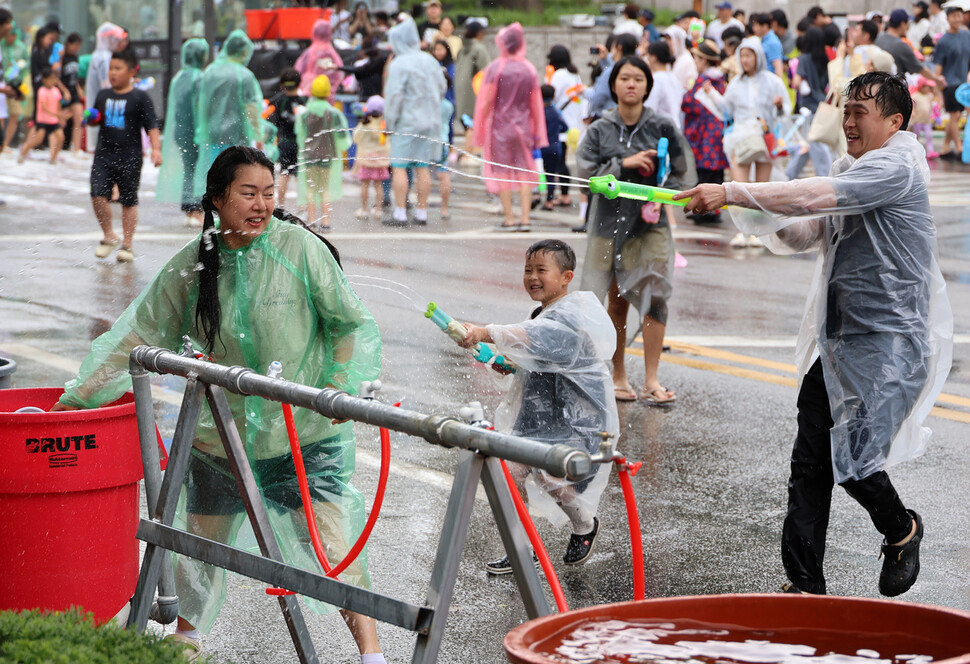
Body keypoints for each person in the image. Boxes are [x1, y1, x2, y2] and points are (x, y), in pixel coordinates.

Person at [52, 145, 388, 664]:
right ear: (216, 199)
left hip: (302, 434)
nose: (261, 205)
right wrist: (75, 402)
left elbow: (350, 322)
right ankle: (185, 640)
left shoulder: (299, 249)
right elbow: (136, 337)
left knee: (333, 550)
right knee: (197, 552)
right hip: (220, 439)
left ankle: (371, 652)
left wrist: (339, 385)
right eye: (248, 193)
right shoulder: (192, 266)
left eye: (270, 193)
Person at [677, 71, 952, 599]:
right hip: (839, 340)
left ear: (894, 121)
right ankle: (804, 584)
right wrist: (749, 206)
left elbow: (813, 197)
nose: (847, 121)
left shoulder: (896, 166)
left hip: (887, 342)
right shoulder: (852, 165)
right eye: (845, 110)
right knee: (809, 466)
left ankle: (902, 530)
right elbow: (806, 230)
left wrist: (735, 189)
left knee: (856, 462)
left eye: (860, 113)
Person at [459, 240, 619, 573]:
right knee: (510, 473)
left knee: (550, 477)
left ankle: (584, 523)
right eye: (528, 270)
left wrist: (483, 332)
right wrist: (505, 364)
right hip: (539, 413)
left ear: (566, 277)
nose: (532, 276)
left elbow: (535, 338)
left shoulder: (569, 317)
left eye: (541, 270)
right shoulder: (545, 313)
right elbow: (535, 356)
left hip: (574, 419)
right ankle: (521, 547)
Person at [576, 56, 695, 405]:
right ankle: (617, 375)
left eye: (638, 79)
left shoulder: (662, 126)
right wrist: (621, 164)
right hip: (607, 226)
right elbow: (583, 174)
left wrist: (664, 195)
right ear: (613, 85)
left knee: (655, 296)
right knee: (615, 300)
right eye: (624, 78)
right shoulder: (599, 129)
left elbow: (683, 172)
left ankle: (652, 379)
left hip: (649, 225)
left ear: (647, 86)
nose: (631, 84)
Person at [85, 50, 160, 262]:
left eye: (118, 69)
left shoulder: (140, 97)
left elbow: (151, 126)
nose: (112, 73)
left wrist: (156, 149)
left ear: (131, 72)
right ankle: (109, 235)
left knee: (129, 200)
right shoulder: (103, 95)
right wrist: (91, 118)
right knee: (97, 194)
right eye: (110, 68)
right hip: (104, 155)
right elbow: (96, 119)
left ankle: (127, 244)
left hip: (130, 156)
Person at [474, 23, 547, 230]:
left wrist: (480, 126)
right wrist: (535, 129)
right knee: (525, 170)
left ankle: (509, 217)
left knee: (502, 171)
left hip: (499, 128)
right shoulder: (529, 69)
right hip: (523, 127)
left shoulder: (496, 68)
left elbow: (486, 101)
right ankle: (525, 218)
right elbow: (535, 104)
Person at [383, 15, 446, 226]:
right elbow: (442, 88)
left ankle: (400, 212)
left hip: (406, 122)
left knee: (399, 165)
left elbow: (394, 97)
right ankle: (422, 212)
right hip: (430, 121)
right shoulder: (430, 60)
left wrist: (390, 124)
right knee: (422, 166)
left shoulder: (399, 64)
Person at [194, 30, 262, 196]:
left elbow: (200, 104)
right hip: (237, 136)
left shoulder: (209, 72)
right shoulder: (243, 76)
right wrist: (258, 135)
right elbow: (251, 108)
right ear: (242, 51)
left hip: (212, 135)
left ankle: (216, 213)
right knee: (236, 179)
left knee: (215, 178)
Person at [157, 38, 208, 227]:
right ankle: (195, 208)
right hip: (194, 129)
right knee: (197, 169)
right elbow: (199, 105)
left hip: (180, 130)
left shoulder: (179, 76)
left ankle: (189, 207)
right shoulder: (198, 77)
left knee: (189, 168)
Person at [682, 39, 729, 226]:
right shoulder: (720, 79)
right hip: (717, 133)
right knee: (716, 173)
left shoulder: (702, 81)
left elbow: (688, 103)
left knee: (703, 173)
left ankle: (703, 209)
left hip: (704, 135)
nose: (695, 62)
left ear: (703, 60)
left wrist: (686, 92)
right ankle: (714, 208)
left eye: (697, 58)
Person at [296, 75, 350, 231]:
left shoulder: (304, 114)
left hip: (309, 156)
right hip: (327, 155)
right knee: (325, 187)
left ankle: (311, 221)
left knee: (310, 188)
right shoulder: (333, 113)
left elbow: (300, 135)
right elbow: (342, 137)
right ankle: (325, 221)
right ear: (328, 93)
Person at [787, 27, 833, 180]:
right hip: (822, 105)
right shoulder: (825, 60)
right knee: (808, 142)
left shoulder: (804, 59)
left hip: (807, 108)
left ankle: (824, 176)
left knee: (813, 143)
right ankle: (791, 173)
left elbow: (797, 81)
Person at [547, 44, 585, 208]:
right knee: (564, 161)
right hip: (575, 124)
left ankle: (563, 195)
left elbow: (550, 94)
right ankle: (565, 194)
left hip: (561, 125)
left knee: (559, 162)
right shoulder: (575, 74)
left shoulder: (559, 74)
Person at [932, 6, 970, 160]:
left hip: (964, 82)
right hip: (950, 83)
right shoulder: (943, 41)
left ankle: (945, 147)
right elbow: (938, 66)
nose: (957, 19)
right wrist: (937, 86)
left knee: (958, 116)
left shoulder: (967, 35)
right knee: (954, 115)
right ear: (947, 19)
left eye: (959, 15)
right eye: (954, 16)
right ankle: (960, 147)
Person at [265, 67, 306, 206]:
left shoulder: (279, 101)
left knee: (284, 173)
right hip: (300, 142)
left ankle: (281, 204)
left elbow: (274, 121)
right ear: (299, 83)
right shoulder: (303, 101)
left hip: (284, 141)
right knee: (301, 175)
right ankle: (303, 207)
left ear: (282, 85)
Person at [85, 22, 127, 152]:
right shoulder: (105, 57)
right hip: (102, 102)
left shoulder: (97, 55)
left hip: (95, 100)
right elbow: (106, 82)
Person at [876, 9, 941, 83]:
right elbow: (920, 69)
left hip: (874, 84)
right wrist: (937, 79)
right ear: (903, 24)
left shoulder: (878, 38)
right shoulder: (901, 45)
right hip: (892, 87)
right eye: (907, 23)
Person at [352, 95, 389, 219]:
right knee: (379, 185)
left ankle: (364, 209)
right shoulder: (384, 124)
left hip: (366, 160)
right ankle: (378, 209)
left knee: (365, 185)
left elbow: (356, 138)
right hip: (381, 160)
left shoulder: (365, 123)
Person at [585, 33, 639, 119]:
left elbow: (597, 98)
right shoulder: (638, 68)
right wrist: (605, 60)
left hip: (609, 117)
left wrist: (584, 91)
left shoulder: (611, 71)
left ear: (619, 47)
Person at [17, 66, 64, 164]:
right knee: (38, 139)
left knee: (61, 137)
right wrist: (57, 114)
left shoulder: (56, 90)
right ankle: (24, 151)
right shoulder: (42, 91)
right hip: (43, 120)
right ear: (44, 80)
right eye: (50, 79)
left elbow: (58, 105)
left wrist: (60, 115)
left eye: (54, 79)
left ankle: (53, 158)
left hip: (53, 120)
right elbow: (44, 108)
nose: (52, 81)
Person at [454, 20, 487, 144]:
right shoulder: (479, 49)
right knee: (472, 123)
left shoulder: (462, 49)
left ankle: (468, 152)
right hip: (474, 91)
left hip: (460, 90)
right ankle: (470, 153)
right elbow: (485, 71)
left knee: (466, 122)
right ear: (479, 33)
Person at [295, 20, 344, 100]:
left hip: (310, 93)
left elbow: (297, 71)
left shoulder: (310, 51)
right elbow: (340, 73)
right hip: (327, 96)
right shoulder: (332, 52)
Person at [1, 20, 28, 154]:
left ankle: (5, 143)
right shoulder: (1, 45)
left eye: (13, 35)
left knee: (15, 113)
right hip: (2, 83)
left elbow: (27, 62)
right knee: (1, 114)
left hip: (16, 83)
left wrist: (20, 65)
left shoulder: (21, 47)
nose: (10, 38)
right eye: (8, 35)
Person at [539, 85, 567, 211]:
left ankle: (536, 195)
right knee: (552, 174)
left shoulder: (539, 112)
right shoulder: (556, 112)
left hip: (542, 147)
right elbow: (565, 127)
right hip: (556, 147)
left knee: (541, 173)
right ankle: (549, 200)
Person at [644, 40, 684, 129]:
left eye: (648, 56)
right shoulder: (674, 78)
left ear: (654, 57)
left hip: (660, 129)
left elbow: (650, 108)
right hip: (676, 126)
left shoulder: (655, 79)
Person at [59, 32, 84, 155]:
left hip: (73, 90)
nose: (76, 48)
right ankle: (57, 146)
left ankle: (76, 148)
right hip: (63, 91)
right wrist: (64, 90)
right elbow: (56, 76)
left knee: (78, 117)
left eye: (78, 46)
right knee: (61, 120)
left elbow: (75, 77)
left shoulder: (76, 57)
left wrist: (79, 89)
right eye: (74, 45)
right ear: (68, 43)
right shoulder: (61, 56)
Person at [909, 75, 938, 159]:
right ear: (921, 87)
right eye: (927, 87)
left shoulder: (929, 96)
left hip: (926, 120)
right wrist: (913, 112)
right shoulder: (915, 96)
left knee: (929, 136)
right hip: (918, 120)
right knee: (916, 135)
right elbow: (912, 106)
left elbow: (932, 104)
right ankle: (914, 150)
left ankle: (930, 151)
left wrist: (934, 114)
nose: (928, 89)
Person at [661, 25, 698, 89]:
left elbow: (691, 84)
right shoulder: (669, 57)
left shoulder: (687, 60)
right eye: (665, 39)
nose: (666, 42)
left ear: (678, 41)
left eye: (669, 39)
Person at [751, 12, 787, 79]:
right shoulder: (763, 40)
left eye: (756, 25)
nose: (754, 29)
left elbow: (778, 68)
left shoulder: (772, 42)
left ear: (765, 26)